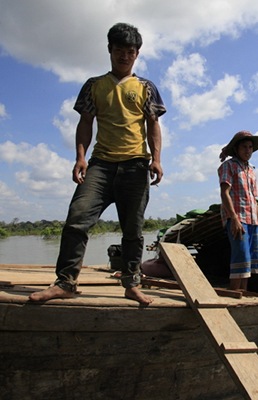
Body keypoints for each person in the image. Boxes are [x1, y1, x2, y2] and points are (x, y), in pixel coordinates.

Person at [29, 23, 166, 305]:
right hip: (100, 166)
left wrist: (157, 159)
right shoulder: (94, 85)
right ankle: (66, 282)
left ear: (137, 54)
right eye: (119, 51)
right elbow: (85, 123)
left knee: (133, 230)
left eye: (130, 52)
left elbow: (153, 125)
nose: (124, 57)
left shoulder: (146, 87)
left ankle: (131, 283)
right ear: (109, 50)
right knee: (77, 219)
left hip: (135, 166)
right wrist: (80, 157)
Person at [218, 131, 258, 291]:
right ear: (236, 149)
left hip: (252, 220)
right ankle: (234, 294)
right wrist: (234, 219)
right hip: (238, 218)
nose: (248, 150)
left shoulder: (251, 170)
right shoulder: (228, 166)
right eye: (244, 147)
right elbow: (225, 193)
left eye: (250, 147)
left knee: (249, 261)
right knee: (241, 257)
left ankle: (243, 294)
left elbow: (253, 199)